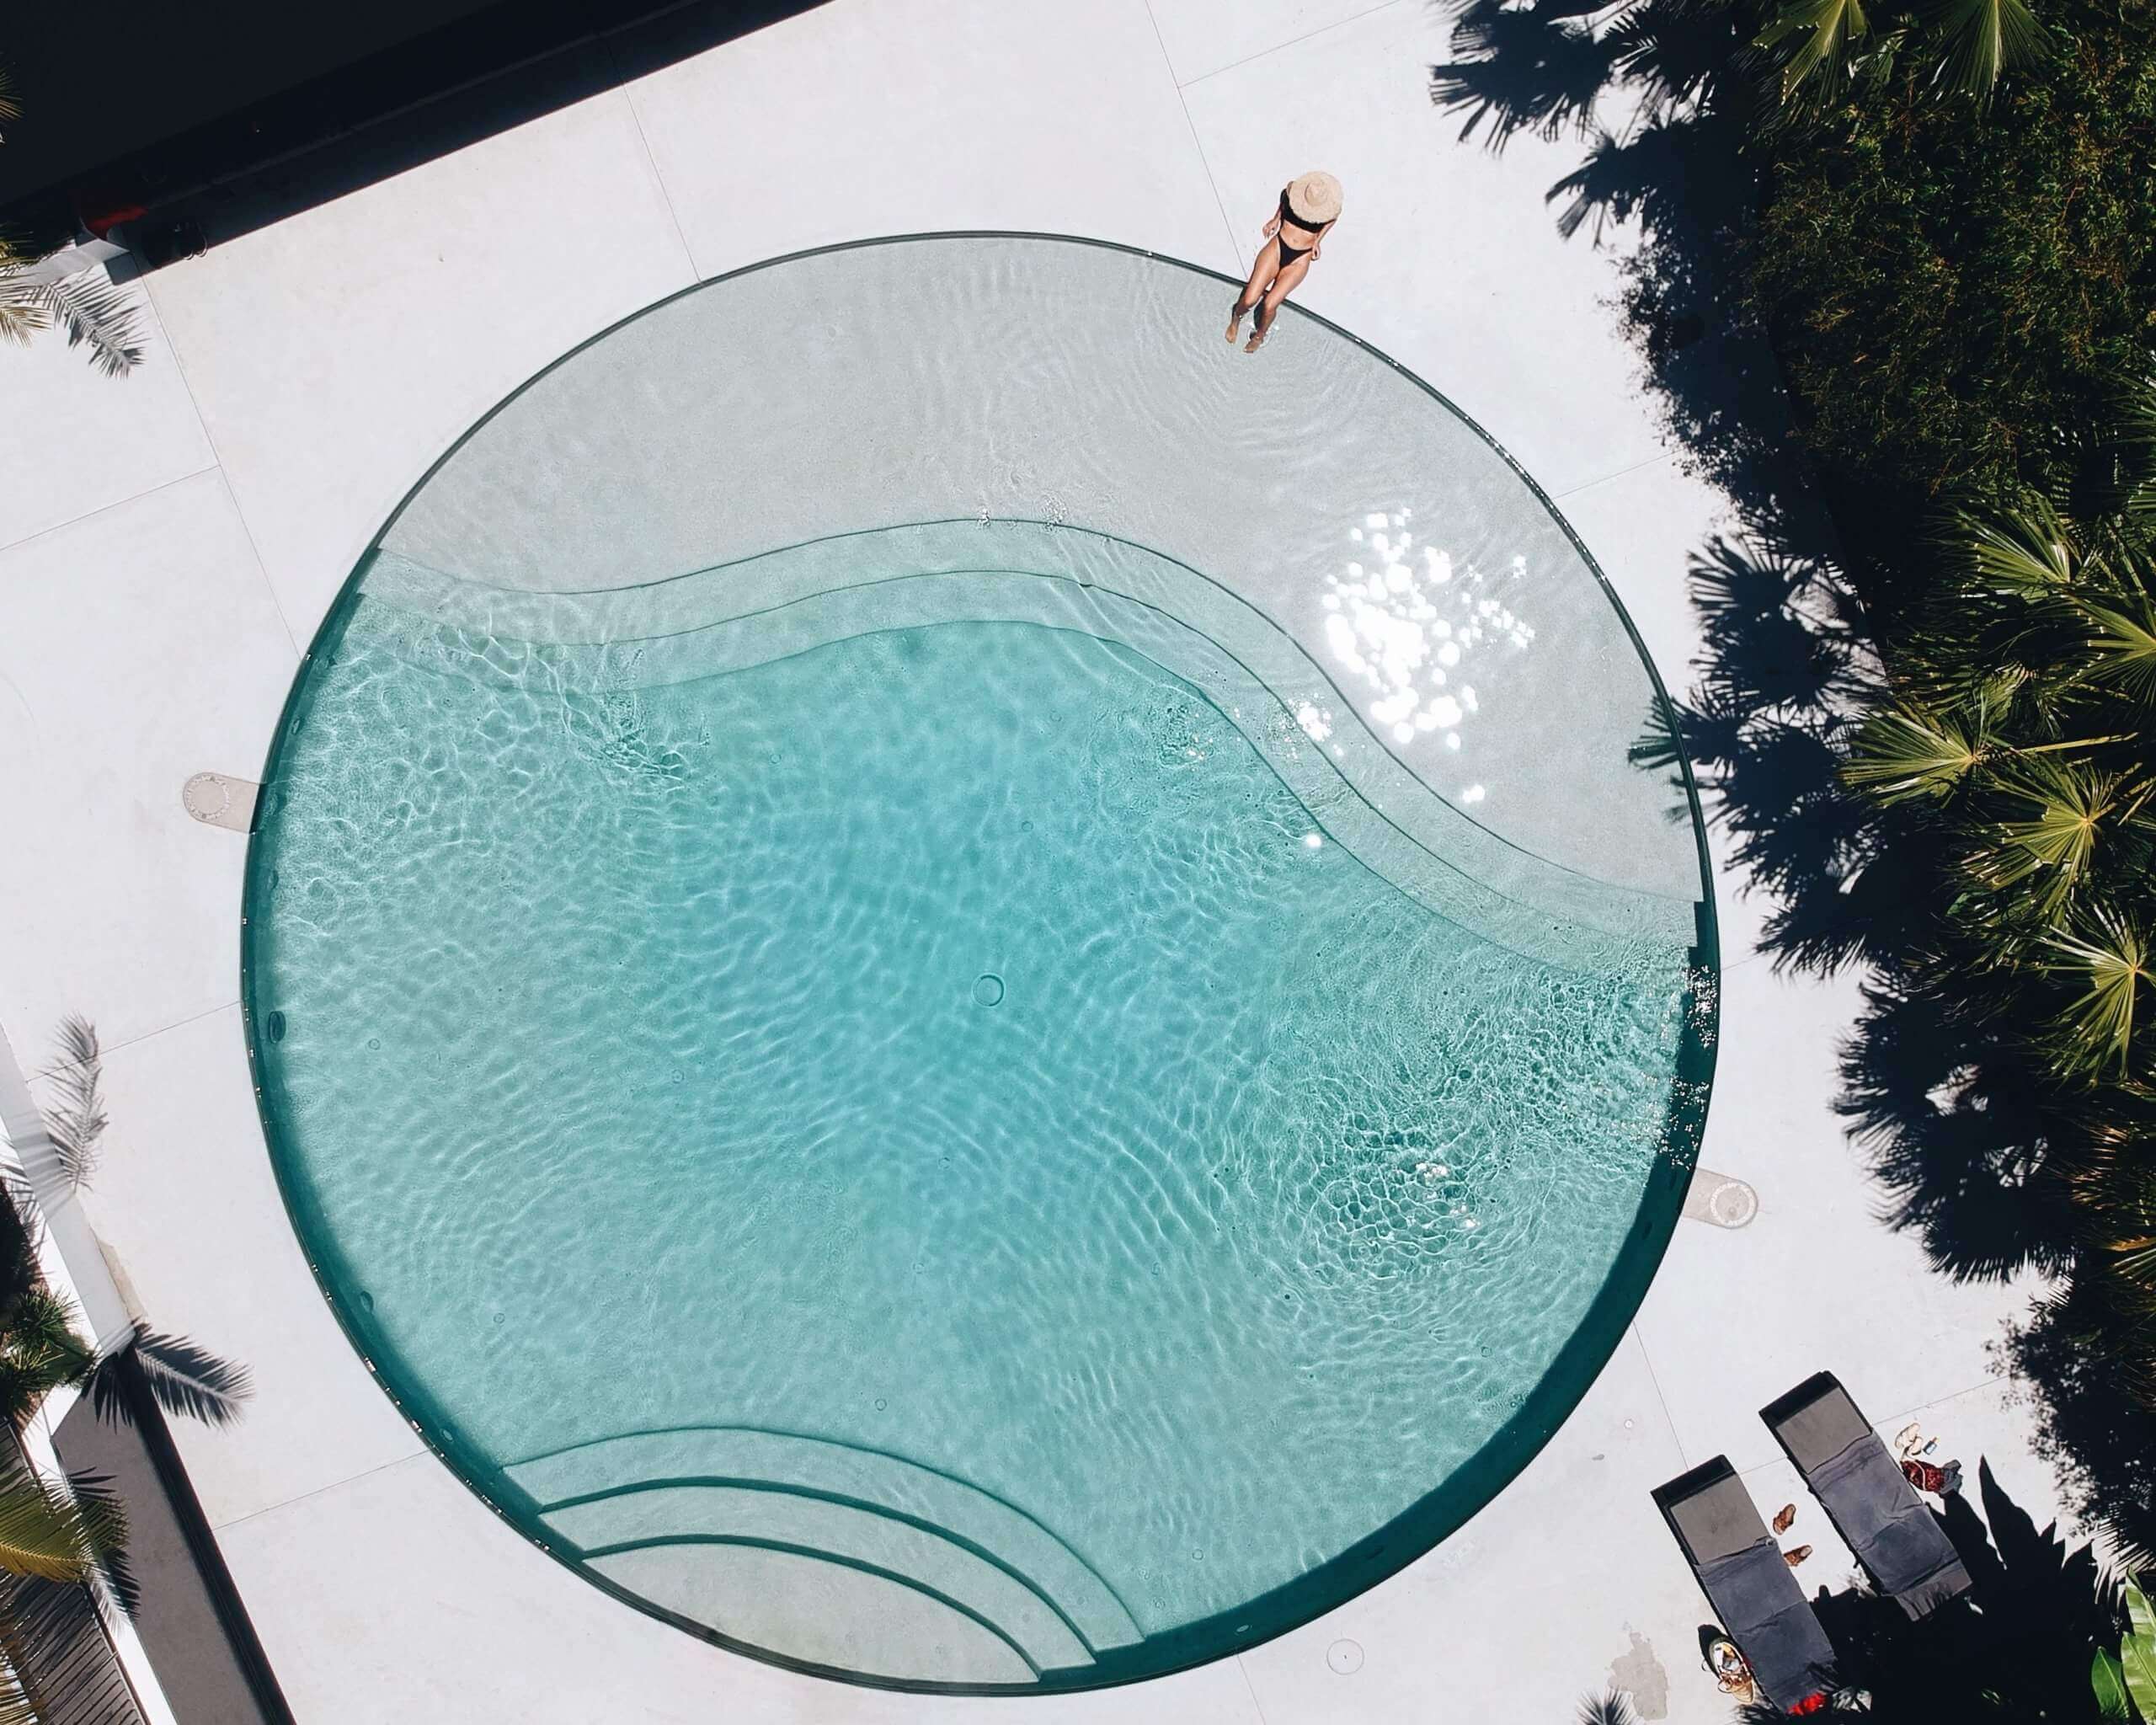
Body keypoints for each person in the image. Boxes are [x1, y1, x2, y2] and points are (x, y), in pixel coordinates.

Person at [1226, 171, 1342, 353]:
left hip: (1300, 258)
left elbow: (1334, 218)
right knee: (1250, 298)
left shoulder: (1328, 212)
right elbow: (1285, 196)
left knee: (1270, 304)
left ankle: (1260, 335)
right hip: (1278, 248)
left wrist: (1318, 240)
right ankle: (1236, 317)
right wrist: (1277, 218)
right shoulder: (1293, 193)